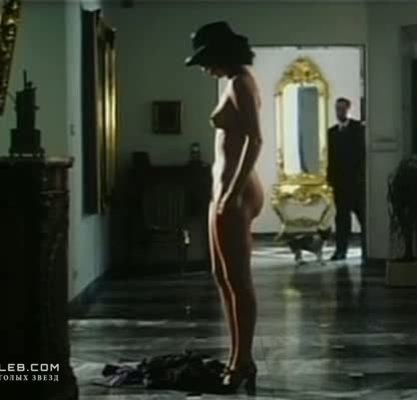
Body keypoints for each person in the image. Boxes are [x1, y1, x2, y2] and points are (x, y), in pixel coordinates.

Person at [185, 21, 263, 394]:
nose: (204, 68)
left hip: (236, 191)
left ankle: (243, 360)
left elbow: (255, 139)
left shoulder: (241, 83)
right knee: (221, 276)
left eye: (205, 60)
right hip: (223, 191)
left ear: (220, 54)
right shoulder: (232, 81)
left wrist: (231, 192)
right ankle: (237, 357)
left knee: (238, 280)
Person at [327, 97, 366, 263]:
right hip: (340, 184)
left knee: (364, 218)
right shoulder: (332, 132)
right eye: (337, 109)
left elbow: (362, 155)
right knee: (342, 220)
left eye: (342, 109)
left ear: (349, 110)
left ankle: (368, 251)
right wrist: (330, 179)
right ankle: (340, 251)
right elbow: (330, 158)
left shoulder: (359, 129)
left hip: (357, 183)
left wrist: (361, 178)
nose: (339, 112)